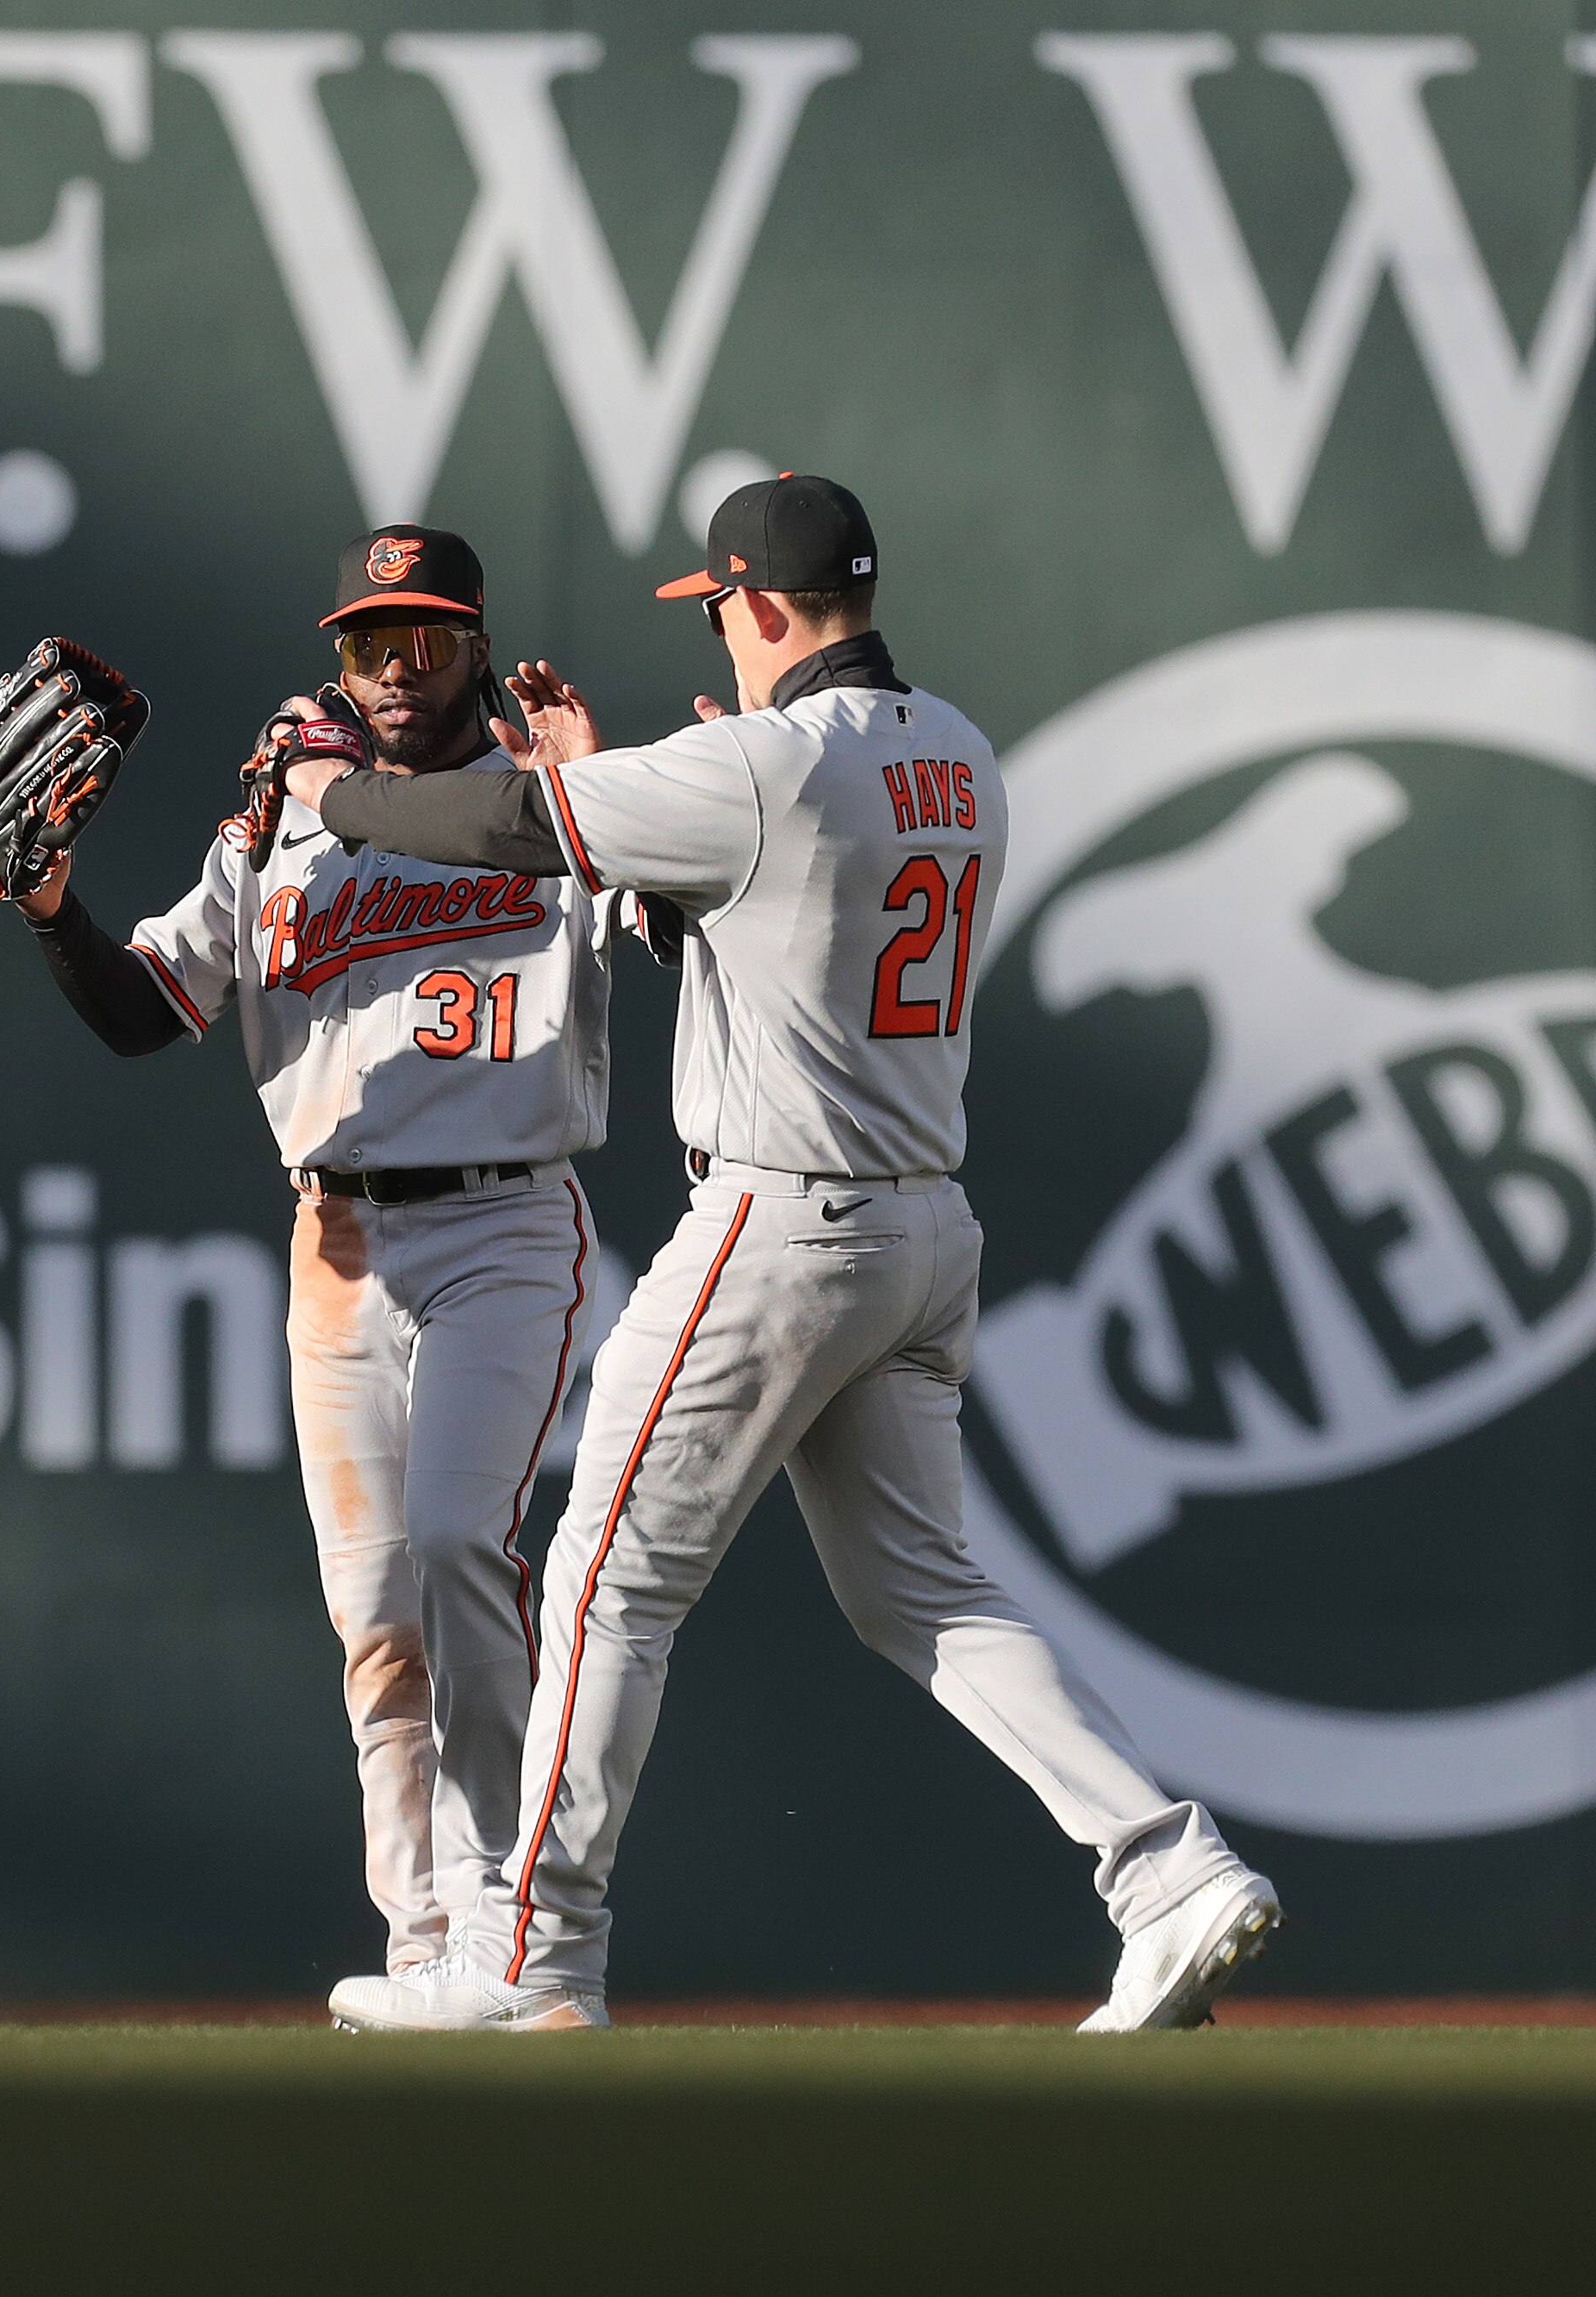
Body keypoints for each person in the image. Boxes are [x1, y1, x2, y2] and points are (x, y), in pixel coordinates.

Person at [285, 476, 1282, 2033]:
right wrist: (629, 780)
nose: (724, 631)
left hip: (775, 1221)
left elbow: (494, 821)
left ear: (754, 605)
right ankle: (1168, 1869)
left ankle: (533, 1961)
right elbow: (750, 923)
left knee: (610, 1585)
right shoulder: (958, 754)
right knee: (925, 1594)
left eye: (721, 606)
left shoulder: (755, 762)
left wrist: (328, 788)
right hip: (923, 1227)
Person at [6, 527, 627, 2001]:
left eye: (424, 638)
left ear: (476, 643)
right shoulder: (272, 830)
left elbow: (661, 919)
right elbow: (149, 1007)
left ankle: (501, 1922)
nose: (395, 668)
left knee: (462, 1545)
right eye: (366, 642)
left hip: (499, 1222)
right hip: (334, 1243)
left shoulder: (548, 798)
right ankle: (420, 1945)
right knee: (373, 1617)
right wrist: (44, 905)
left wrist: (587, 790)